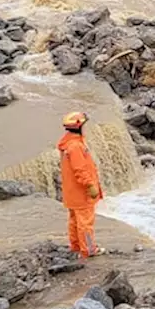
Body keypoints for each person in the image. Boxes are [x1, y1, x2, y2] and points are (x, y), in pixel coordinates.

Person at [58, 111, 105, 258]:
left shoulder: (68, 144)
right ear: (79, 126)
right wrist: (90, 185)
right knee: (85, 222)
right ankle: (89, 249)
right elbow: (80, 169)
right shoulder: (76, 147)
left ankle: (76, 246)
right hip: (81, 192)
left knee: (74, 220)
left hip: (72, 192)